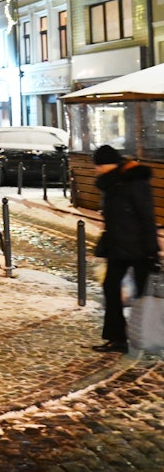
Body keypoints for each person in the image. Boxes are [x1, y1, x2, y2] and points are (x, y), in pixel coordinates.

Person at [91, 144, 161, 353]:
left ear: (107, 164)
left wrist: (152, 251)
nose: (96, 169)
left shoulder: (134, 182)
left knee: (144, 295)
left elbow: (146, 217)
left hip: (139, 249)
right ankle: (117, 338)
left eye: (98, 165)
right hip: (117, 247)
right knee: (110, 289)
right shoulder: (111, 183)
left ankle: (148, 338)